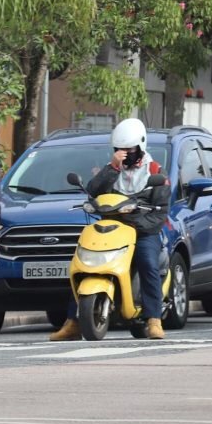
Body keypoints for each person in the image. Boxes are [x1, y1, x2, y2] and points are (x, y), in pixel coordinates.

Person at [50, 118, 171, 341]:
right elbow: (93, 191)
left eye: (129, 149)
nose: (124, 153)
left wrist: (134, 221)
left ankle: (153, 318)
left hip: (143, 231)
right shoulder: (111, 169)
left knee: (147, 263)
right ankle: (74, 322)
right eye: (119, 150)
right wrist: (113, 167)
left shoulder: (155, 172)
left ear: (141, 146)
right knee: (84, 262)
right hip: (111, 227)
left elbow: (160, 213)